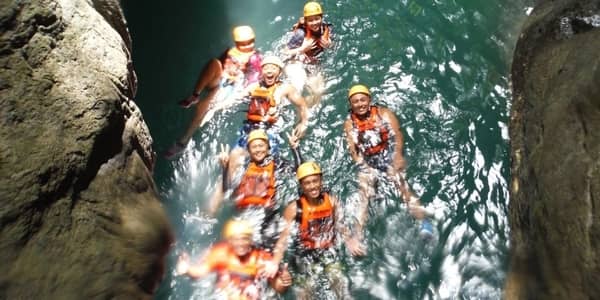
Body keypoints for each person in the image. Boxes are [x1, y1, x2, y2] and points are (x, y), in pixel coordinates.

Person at [343, 84, 434, 241]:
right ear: (351, 105)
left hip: (386, 155)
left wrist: (397, 155)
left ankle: (424, 223)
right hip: (368, 161)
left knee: (401, 185)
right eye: (355, 101)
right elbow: (353, 149)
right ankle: (358, 235)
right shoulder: (350, 123)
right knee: (364, 193)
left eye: (363, 100)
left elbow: (397, 135)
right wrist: (363, 166)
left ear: (369, 100)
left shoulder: (383, 114)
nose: (360, 104)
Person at [165, 25, 262, 159]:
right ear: (236, 43)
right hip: (220, 81)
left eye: (250, 42)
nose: (247, 46)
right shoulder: (230, 52)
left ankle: (183, 142)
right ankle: (195, 95)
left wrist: (222, 104)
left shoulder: (255, 58)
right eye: (243, 44)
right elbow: (220, 67)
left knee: (203, 108)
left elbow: (252, 85)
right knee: (215, 63)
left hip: (232, 88)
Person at [272, 161, 365, 299]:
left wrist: (349, 240)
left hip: (328, 252)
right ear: (301, 186)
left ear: (321, 180)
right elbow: (282, 241)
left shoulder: (333, 202)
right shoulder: (293, 209)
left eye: (315, 181)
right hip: (304, 255)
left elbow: (339, 225)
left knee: (342, 288)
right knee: (306, 293)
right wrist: (275, 264)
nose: (312, 186)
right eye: (307, 183)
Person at [209, 129, 302, 249]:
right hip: (244, 214)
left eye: (261, 146)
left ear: (268, 147)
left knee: (264, 250)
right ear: (248, 150)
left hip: (266, 216)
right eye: (254, 147)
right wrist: (225, 168)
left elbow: (300, 173)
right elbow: (227, 190)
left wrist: (295, 149)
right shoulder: (244, 165)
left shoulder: (277, 163)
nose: (258, 150)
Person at [223, 55, 309, 176]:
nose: (269, 71)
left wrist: (303, 123)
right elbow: (235, 99)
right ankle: (227, 187)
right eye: (266, 68)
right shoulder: (254, 87)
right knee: (233, 159)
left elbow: (303, 106)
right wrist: (218, 106)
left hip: (270, 130)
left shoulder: (285, 88)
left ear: (279, 72)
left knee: (264, 166)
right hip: (250, 129)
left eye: (273, 68)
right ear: (261, 71)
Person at [176, 219, 292, 299]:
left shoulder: (260, 258)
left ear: (250, 241)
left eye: (244, 239)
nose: (240, 244)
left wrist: (284, 281)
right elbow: (200, 272)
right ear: (229, 241)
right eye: (236, 240)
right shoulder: (220, 253)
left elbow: (279, 288)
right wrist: (187, 269)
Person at [283, 2, 332, 107]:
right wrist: (302, 49)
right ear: (306, 21)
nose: (314, 23)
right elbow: (284, 52)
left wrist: (329, 45)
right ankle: (296, 109)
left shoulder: (324, 29)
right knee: (298, 87)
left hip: (312, 64)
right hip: (296, 63)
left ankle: (306, 111)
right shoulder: (300, 34)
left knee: (319, 92)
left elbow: (331, 45)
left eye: (317, 19)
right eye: (310, 20)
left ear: (321, 18)